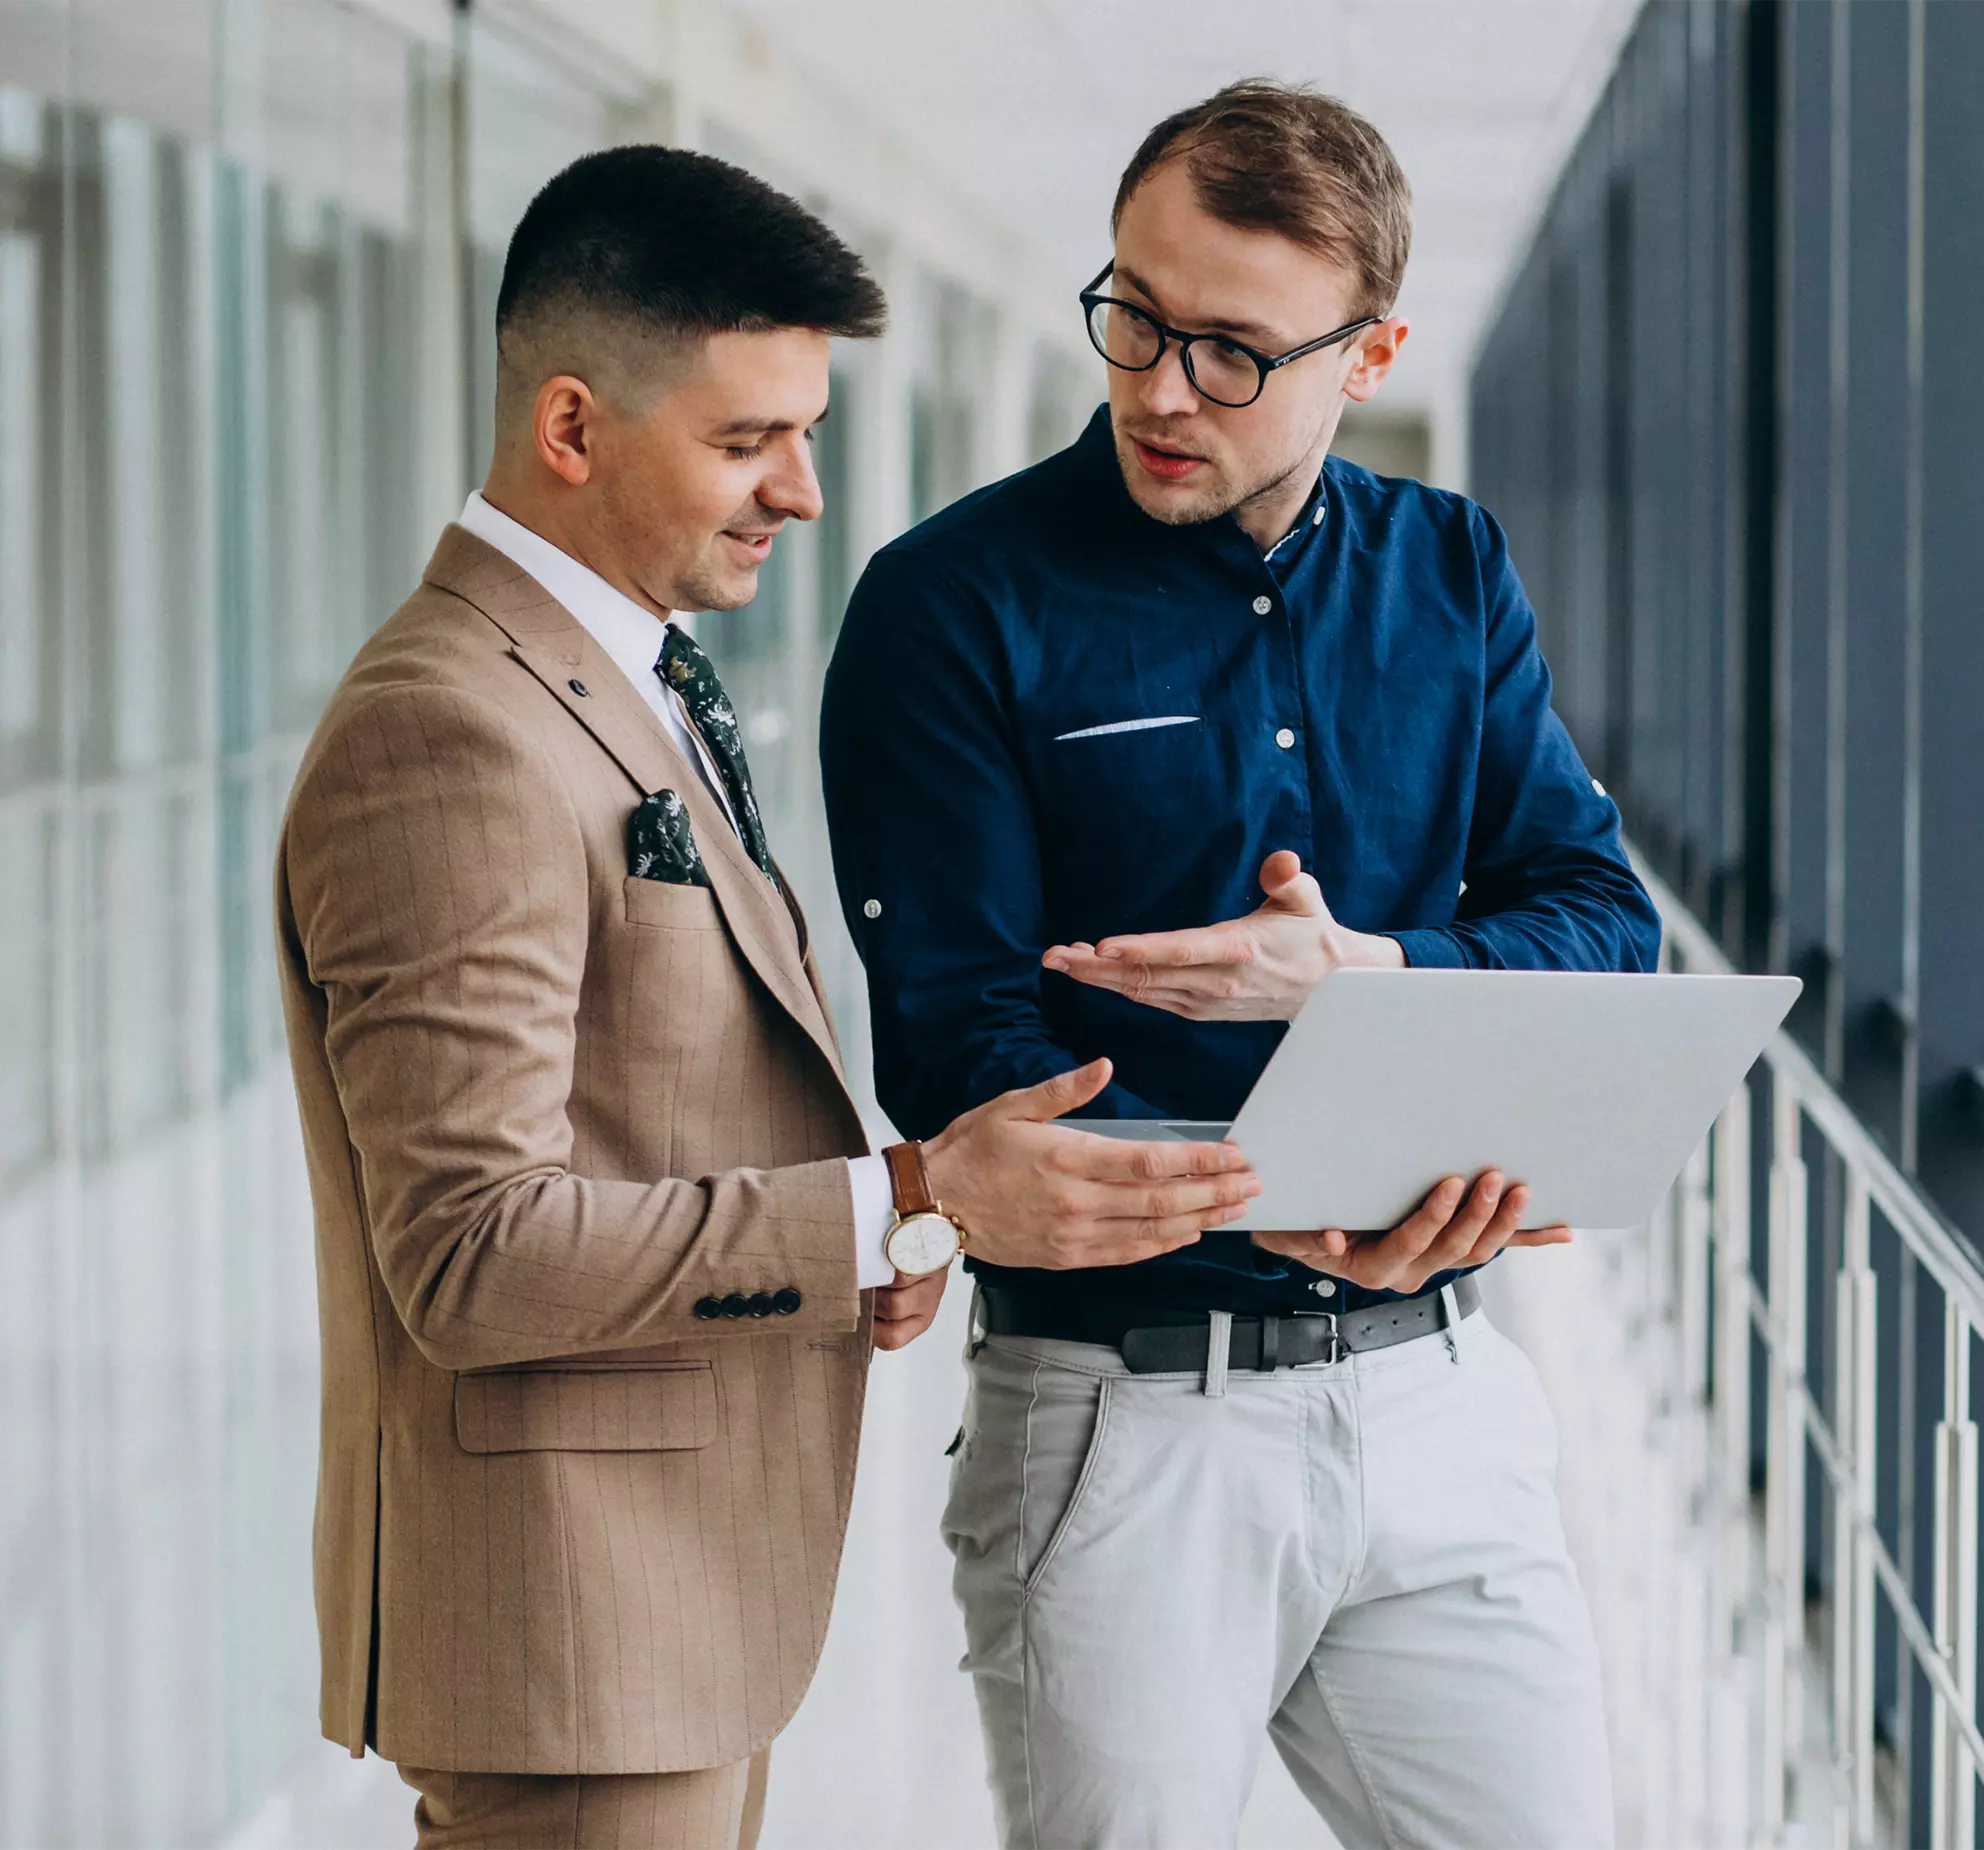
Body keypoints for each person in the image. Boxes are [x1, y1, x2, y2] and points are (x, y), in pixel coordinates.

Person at [273, 146, 1258, 1850]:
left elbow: (643, 1097)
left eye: (805, 432)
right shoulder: (450, 730)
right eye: (748, 441)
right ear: (571, 430)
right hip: (571, 1646)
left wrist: (850, 1244)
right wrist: (906, 1196)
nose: (802, 490)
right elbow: (470, 1247)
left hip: (661, 1628)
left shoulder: (615, 670)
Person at [821, 81, 1661, 1850]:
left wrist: (1366, 972)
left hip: (1442, 1391)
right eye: (1132, 314)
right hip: (1127, 1429)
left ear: (1370, 355)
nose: (1158, 388)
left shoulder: (1452, 569)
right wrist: (1271, 1197)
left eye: (1231, 351)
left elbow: (1600, 919)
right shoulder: (950, 604)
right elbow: (963, 1056)